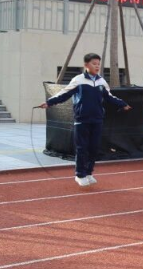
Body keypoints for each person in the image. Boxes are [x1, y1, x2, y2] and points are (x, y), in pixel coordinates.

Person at [39, 52, 131, 187]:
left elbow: (110, 97)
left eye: (98, 64)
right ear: (86, 65)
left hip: (97, 120)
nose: (97, 66)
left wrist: (123, 104)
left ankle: (88, 173)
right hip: (81, 120)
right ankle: (80, 174)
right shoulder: (78, 80)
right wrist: (49, 102)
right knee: (82, 148)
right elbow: (64, 93)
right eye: (94, 63)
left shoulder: (101, 82)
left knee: (94, 148)